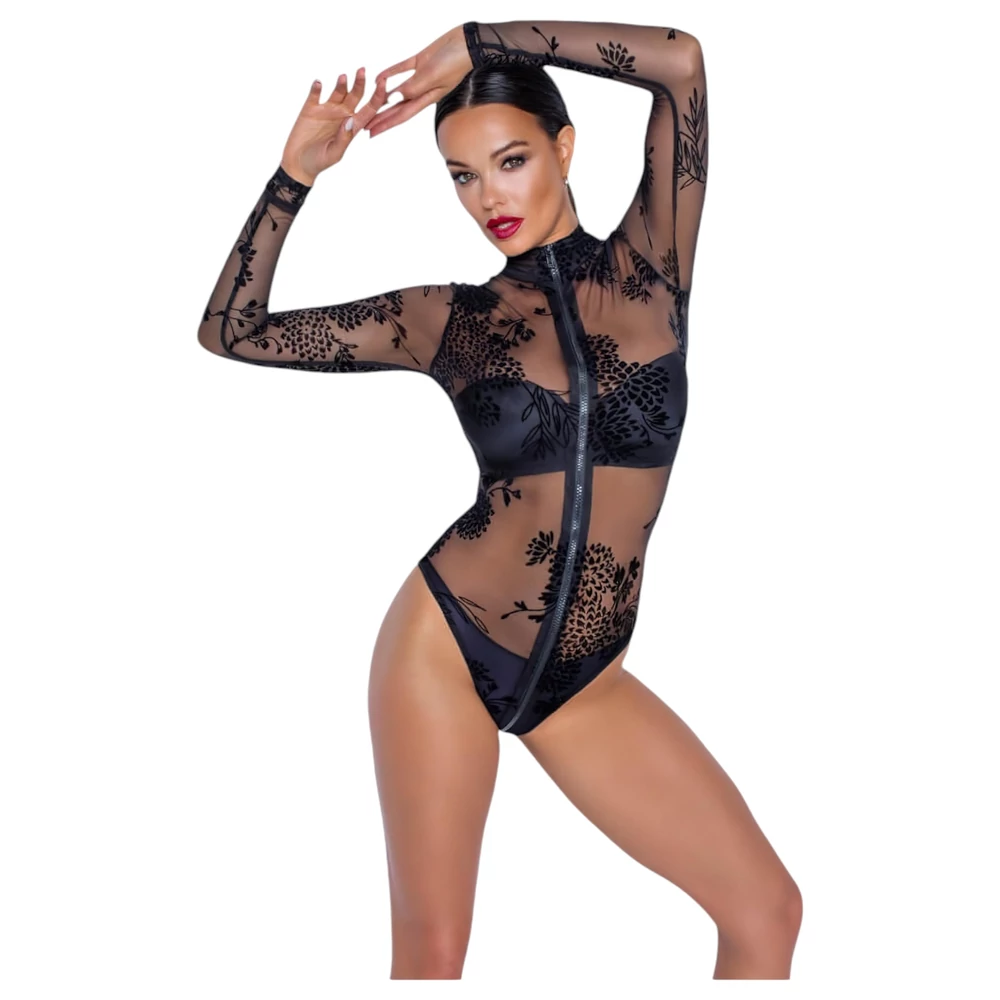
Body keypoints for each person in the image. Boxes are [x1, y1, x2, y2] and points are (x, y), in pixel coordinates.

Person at [198, 20, 801, 980]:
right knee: (434, 957)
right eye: (463, 176)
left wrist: (479, 41)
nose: (489, 198)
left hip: (583, 679)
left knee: (766, 913)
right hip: (446, 644)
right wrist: (294, 178)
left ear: (565, 147)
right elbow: (233, 329)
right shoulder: (448, 319)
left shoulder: (652, 271)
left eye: (511, 161)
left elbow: (680, 64)